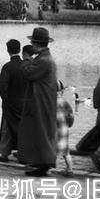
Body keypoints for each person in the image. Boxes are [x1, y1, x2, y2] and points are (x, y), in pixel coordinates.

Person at [18, 27, 57, 177]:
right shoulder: (44, 58)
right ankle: (40, 162)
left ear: (36, 43)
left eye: (32, 43)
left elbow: (28, 73)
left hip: (41, 102)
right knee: (38, 131)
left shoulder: (43, 61)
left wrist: (26, 60)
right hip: (42, 100)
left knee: (41, 131)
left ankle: (44, 163)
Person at [0, 39, 27, 162]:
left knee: (7, 128)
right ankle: (22, 152)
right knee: (23, 128)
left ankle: (4, 154)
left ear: (8, 50)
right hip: (25, 102)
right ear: (19, 50)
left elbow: (2, 85)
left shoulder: (7, 67)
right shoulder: (26, 65)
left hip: (10, 102)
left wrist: (5, 99)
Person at [56, 80, 74, 177]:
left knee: (53, 150)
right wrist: (69, 124)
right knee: (66, 152)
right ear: (62, 92)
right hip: (64, 129)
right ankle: (70, 169)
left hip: (54, 130)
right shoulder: (66, 103)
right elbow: (71, 116)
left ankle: (50, 167)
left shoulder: (50, 103)